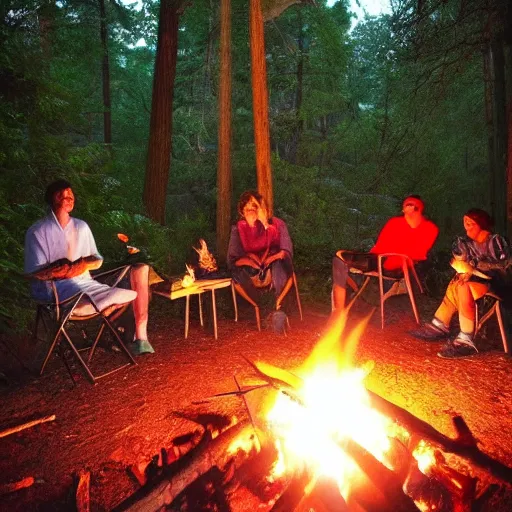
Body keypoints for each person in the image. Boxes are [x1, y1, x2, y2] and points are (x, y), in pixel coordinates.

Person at [24, 179, 154, 355]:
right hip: (56, 291)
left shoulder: (81, 226)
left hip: (86, 283)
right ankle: (112, 330)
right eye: (64, 196)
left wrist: (81, 265)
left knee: (131, 285)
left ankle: (132, 337)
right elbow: (36, 273)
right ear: (53, 199)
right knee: (88, 288)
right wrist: (62, 272)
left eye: (71, 195)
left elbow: (96, 259)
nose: (70, 199)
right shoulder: (37, 231)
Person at [411, 208, 511, 358]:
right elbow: (461, 261)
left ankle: (466, 339)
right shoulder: (467, 244)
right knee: (457, 281)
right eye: (465, 223)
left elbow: (503, 265)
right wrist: (463, 269)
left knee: (464, 286)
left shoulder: (496, 241)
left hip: (501, 284)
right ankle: (440, 324)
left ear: (481, 224)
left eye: (470, 223)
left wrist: (473, 267)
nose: (466, 227)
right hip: (479, 281)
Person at [332, 195, 439, 311]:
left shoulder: (429, 228)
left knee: (343, 260)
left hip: (397, 266)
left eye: (412, 205)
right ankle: (340, 308)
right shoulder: (395, 222)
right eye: (407, 205)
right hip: (377, 259)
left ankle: (345, 305)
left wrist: (394, 258)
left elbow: (418, 253)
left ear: (419, 208)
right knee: (340, 256)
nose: (408, 208)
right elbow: (380, 246)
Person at [228, 190, 294, 314]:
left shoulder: (277, 224)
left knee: (279, 267)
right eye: (247, 208)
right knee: (238, 273)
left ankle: (278, 305)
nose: (251, 211)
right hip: (253, 269)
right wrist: (250, 261)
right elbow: (233, 258)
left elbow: (285, 250)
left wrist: (272, 257)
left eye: (254, 207)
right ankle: (256, 306)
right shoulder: (238, 228)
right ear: (242, 211)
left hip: (274, 265)